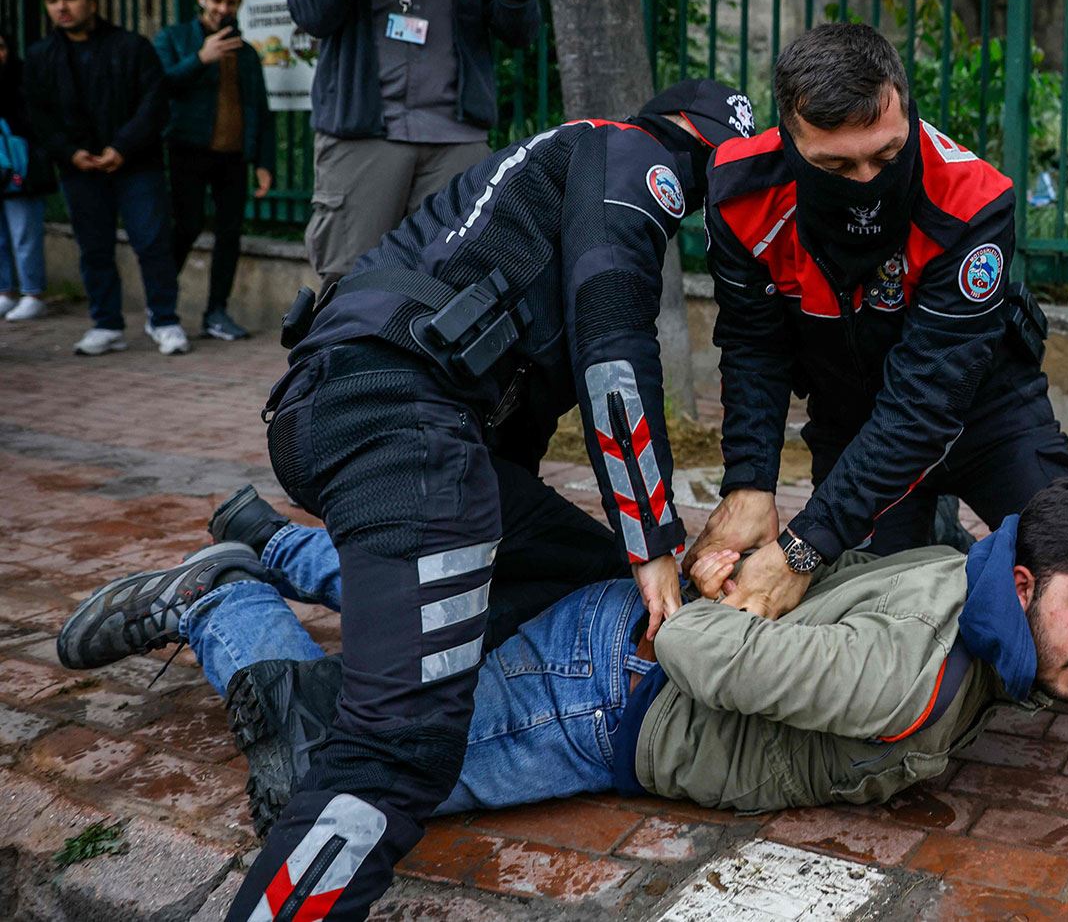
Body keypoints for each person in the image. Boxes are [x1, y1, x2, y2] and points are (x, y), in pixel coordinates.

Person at [83, 79, 748, 920]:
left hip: (351, 412)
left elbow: (510, 422)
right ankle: (245, 619)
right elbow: (614, 360)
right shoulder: (644, 161)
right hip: (397, 425)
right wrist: (656, 543)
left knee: (580, 576)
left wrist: (619, 554)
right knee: (400, 753)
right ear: (710, 151)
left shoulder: (563, 158)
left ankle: (290, 619)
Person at [57, 474, 1068, 885]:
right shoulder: (909, 680)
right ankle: (225, 596)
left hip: (610, 645)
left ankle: (277, 540)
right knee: (330, 775)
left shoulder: (964, 581)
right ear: (1021, 576)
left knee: (443, 616)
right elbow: (715, 651)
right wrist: (694, 597)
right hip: (604, 695)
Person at [687, 24, 1068, 661]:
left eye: (886, 156)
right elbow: (753, 346)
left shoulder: (971, 198)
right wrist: (749, 481)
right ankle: (932, 523)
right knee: (868, 612)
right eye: (836, 166)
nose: (865, 181)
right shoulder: (741, 190)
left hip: (985, 412)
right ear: (789, 139)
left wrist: (805, 543)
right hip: (851, 422)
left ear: (905, 106)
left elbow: (926, 404)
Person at [289, 0, 541, 286]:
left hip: (456, 137)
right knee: (351, 285)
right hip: (363, 135)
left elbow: (520, 33)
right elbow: (312, 13)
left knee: (456, 283)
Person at [25, 0, 187, 355]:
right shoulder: (40, 56)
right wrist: (70, 153)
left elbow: (154, 105)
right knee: (93, 247)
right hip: (79, 170)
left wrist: (122, 147)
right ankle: (106, 324)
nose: (61, 7)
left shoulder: (132, 47)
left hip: (136, 165)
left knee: (152, 244)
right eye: (52, 0)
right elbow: (38, 117)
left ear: (92, 2)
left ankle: (164, 320)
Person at [155, 0, 276, 342]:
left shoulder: (247, 53)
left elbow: (260, 108)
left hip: (233, 157)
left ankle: (216, 313)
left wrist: (265, 163)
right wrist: (200, 58)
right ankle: (160, 305)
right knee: (187, 226)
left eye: (231, 3)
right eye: (217, 0)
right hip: (187, 149)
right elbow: (159, 86)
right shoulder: (174, 39)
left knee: (230, 234)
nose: (223, 9)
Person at [0, 31, 56, 323]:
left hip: (20, 168)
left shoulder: (22, 79)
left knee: (24, 232)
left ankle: (33, 293)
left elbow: (36, 121)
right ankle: (6, 291)